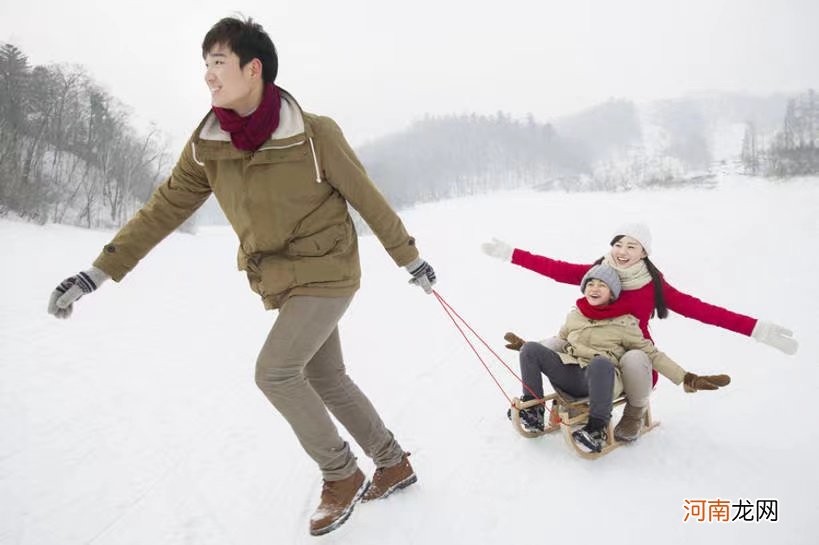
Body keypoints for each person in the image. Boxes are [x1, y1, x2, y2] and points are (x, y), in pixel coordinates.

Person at [47, 17, 435, 537]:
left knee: (275, 372)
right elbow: (162, 209)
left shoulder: (314, 133)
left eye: (218, 63)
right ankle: (392, 462)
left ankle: (341, 474)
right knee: (324, 376)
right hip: (279, 277)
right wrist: (98, 272)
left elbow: (367, 198)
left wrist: (409, 259)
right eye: (204, 64)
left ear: (253, 69)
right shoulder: (210, 143)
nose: (208, 75)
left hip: (329, 268)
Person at [482, 222, 797, 442]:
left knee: (633, 356)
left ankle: (634, 411)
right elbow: (554, 268)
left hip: (631, 357)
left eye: (631, 246)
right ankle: (540, 405)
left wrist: (757, 330)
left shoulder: (653, 287)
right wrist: (511, 254)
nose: (622, 251)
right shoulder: (597, 273)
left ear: (644, 252)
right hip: (588, 352)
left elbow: (705, 311)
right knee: (552, 342)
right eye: (618, 244)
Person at [504, 264, 729, 452]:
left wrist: (686, 378)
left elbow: (651, 354)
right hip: (571, 373)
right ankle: (533, 411)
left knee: (600, 362)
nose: (594, 288)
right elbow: (559, 341)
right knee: (532, 349)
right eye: (590, 284)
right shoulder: (576, 315)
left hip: (603, 380)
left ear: (612, 293)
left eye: (601, 285)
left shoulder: (625, 322)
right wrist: (527, 349)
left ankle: (597, 428)